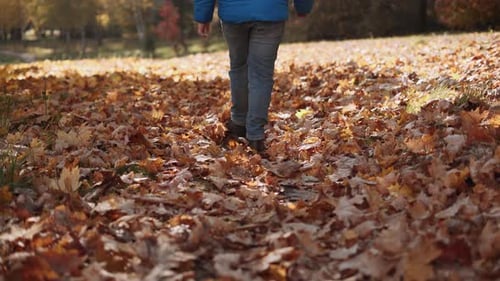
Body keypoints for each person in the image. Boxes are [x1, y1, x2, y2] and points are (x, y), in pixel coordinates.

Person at [194, 0, 314, 153]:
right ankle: (255, 136)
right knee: (262, 74)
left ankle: (239, 123)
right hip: (270, 11)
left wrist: (203, 16)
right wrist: (303, 7)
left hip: (234, 13)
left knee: (239, 68)